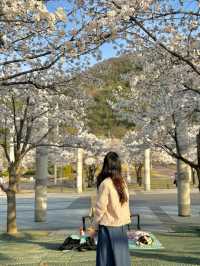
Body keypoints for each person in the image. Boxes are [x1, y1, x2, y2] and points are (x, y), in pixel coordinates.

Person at [94, 151, 131, 266]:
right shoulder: (122, 182)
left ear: (106, 165)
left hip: (108, 225)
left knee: (106, 258)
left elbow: (101, 207)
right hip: (121, 225)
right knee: (122, 258)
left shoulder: (105, 183)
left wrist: (95, 224)